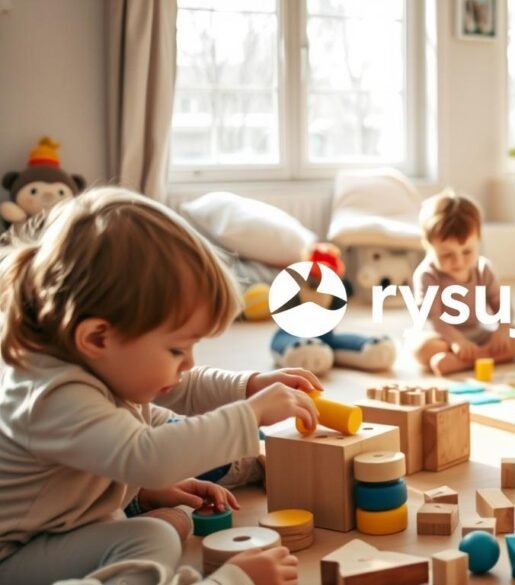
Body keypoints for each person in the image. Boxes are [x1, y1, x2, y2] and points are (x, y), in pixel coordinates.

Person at [0, 188, 319, 585]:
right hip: (15, 556)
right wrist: (251, 414)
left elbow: (178, 386)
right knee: (156, 537)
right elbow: (145, 456)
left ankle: (135, 505)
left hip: (57, 525)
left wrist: (249, 385)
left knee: (157, 534)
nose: (188, 362)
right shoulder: (51, 396)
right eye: (176, 348)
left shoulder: (95, 361)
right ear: (98, 338)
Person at [412, 189, 515, 375]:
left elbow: (501, 305)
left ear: (478, 240)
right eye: (447, 254)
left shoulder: (483, 269)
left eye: (467, 252)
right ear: (428, 246)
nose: (458, 262)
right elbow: (435, 320)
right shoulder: (427, 275)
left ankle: (468, 361)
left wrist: (502, 330)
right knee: (423, 350)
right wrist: (456, 341)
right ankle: (487, 358)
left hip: (476, 334)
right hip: (441, 337)